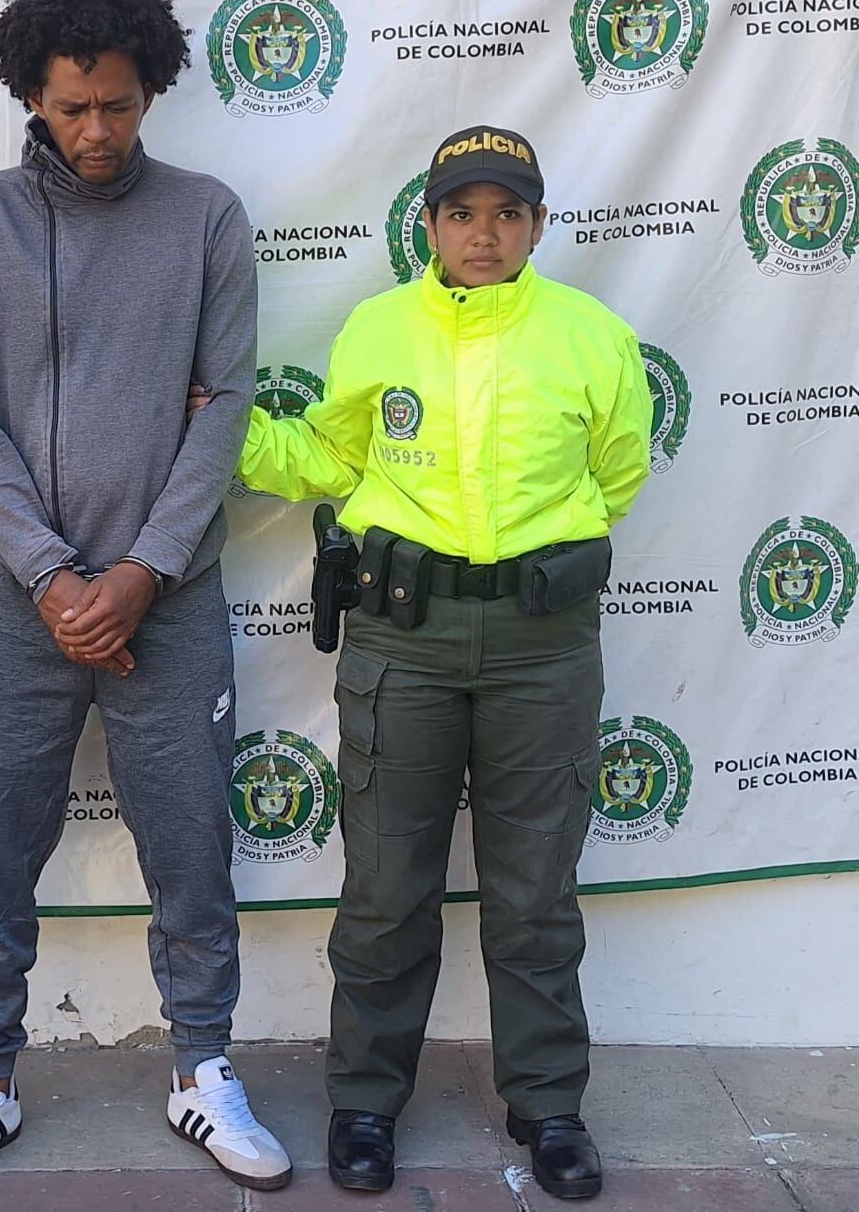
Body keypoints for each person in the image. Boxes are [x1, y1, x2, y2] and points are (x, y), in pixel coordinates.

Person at [0, 0, 291, 1201]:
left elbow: (225, 402)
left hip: (165, 602)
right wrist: (57, 578)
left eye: (116, 102)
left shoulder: (208, 216)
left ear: (150, 87)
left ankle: (203, 1064)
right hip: (17, 601)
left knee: (187, 841)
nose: (96, 128)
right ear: (30, 93)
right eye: (71, 105)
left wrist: (143, 571)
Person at [202, 125, 649, 1200]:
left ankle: (546, 1105)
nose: (483, 233)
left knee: (534, 890)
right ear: (430, 224)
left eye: (506, 212)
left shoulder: (593, 337)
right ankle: (362, 1099)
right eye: (462, 213)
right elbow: (328, 455)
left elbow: (617, 473)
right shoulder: (379, 330)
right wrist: (230, 430)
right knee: (385, 882)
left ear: (538, 223)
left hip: (543, 645)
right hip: (402, 636)